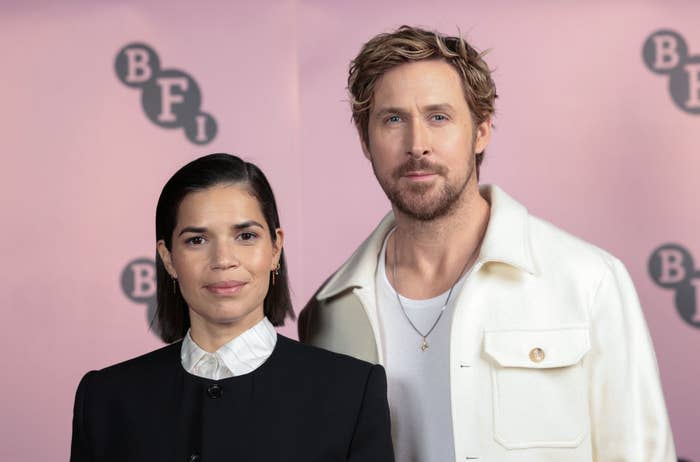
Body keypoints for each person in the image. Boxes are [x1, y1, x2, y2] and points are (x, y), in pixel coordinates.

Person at [299, 26, 676, 461]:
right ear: (366, 140)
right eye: (393, 119)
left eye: (438, 117)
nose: (417, 145)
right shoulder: (331, 310)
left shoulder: (589, 282)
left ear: (481, 131)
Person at [70, 153, 394, 462]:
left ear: (275, 248)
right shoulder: (105, 399)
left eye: (246, 236)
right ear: (168, 258)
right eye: (197, 240)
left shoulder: (351, 393)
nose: (223, 260)